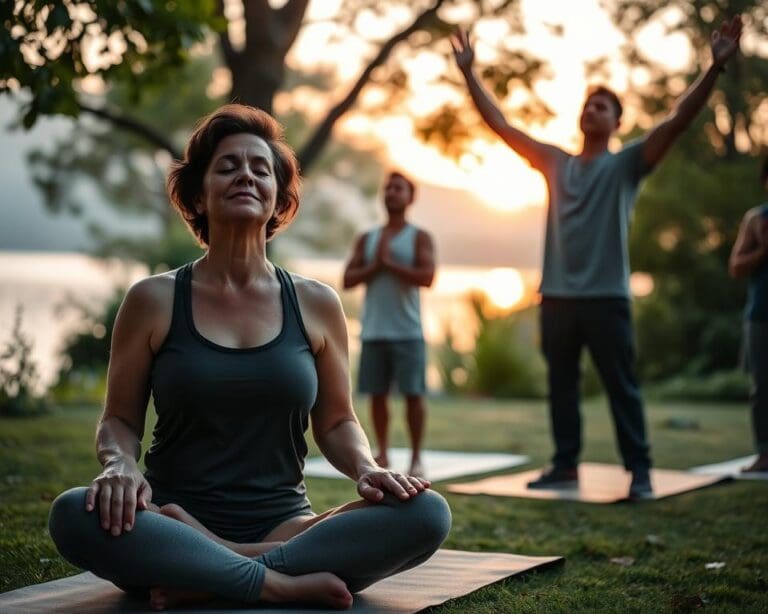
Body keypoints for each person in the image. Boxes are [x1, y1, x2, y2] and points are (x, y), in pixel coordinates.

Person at [47, 105, 451, 611]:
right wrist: (119, 465)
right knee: (73, 513)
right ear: (199, 195)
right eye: (228, 166)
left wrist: (367, 468)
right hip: (171, 520)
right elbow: (119, 420)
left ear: (278, 197)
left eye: (261, 169)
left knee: (426, 512)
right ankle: (278, 581)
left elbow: (337, 421)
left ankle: (214, 571)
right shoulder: (154, 299)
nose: (246, 175)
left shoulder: (317, 303)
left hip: (285, 526)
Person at [451, 17, 742, 499]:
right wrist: (468, 72)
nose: (592, 110)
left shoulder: (627, 165)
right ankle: (565, 465)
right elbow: (500, 125)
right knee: (561, 387)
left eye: (602, 106)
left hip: (607, 298)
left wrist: (714, 68)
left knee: (620, 386)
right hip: (557, 297)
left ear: (616, 123)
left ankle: (639, 470)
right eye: (588, 104)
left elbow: (677, 120)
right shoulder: (554, 162)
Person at [342, 172, 436, 478]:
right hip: (373, 330)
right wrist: (375, 265)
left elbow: (428, 277)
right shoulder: (367, 238)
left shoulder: (419, 237)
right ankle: (382, 451)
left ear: (410, 197)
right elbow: (348, 279)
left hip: (408, 332)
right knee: (377, 395)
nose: (391, 193)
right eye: (388, 188)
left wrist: (390, 264)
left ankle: (416, 457)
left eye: (398, 189)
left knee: (413, 395)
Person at [728, 156, 768, 473]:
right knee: (763, 386)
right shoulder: (756, 219)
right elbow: (736, 267)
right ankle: (765, 453)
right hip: (761, 315)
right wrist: (763, 250)